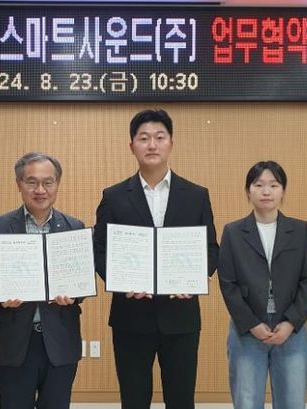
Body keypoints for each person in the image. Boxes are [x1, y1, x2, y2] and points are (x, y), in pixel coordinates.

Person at [93, 109, 219, 409]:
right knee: (134, 400)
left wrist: (193, 280)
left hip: (181, 317)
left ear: (171, 143)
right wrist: (120, 281)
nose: (152, 145)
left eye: (159, 137)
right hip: (131, 317)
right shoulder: (114, 196)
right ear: (132, 146)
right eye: (144, 138)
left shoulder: (196, 195)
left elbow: (211, 249)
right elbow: (100, 250)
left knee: (181, 400)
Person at [0, 152, 84, 409]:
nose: (40, 190)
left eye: (48, 182)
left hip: (60, 340)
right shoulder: (0, 226)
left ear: (57, 184)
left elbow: (81, 279)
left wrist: (74, 294)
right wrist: (1, 296)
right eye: (32, 182)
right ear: (19, 184)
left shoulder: (74, 227)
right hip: (16, 340)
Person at [217, 161, 307, 409]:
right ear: (248, 191)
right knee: (247, 402)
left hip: (291, 330)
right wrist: (251, 323)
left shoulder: (300, 230)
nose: (266, 191)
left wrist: (291, 322)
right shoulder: (233, 232)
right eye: (258, 185)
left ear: (283, 191)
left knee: (292, 402)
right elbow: (228, 283)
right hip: (247, 329)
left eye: (274, 185)